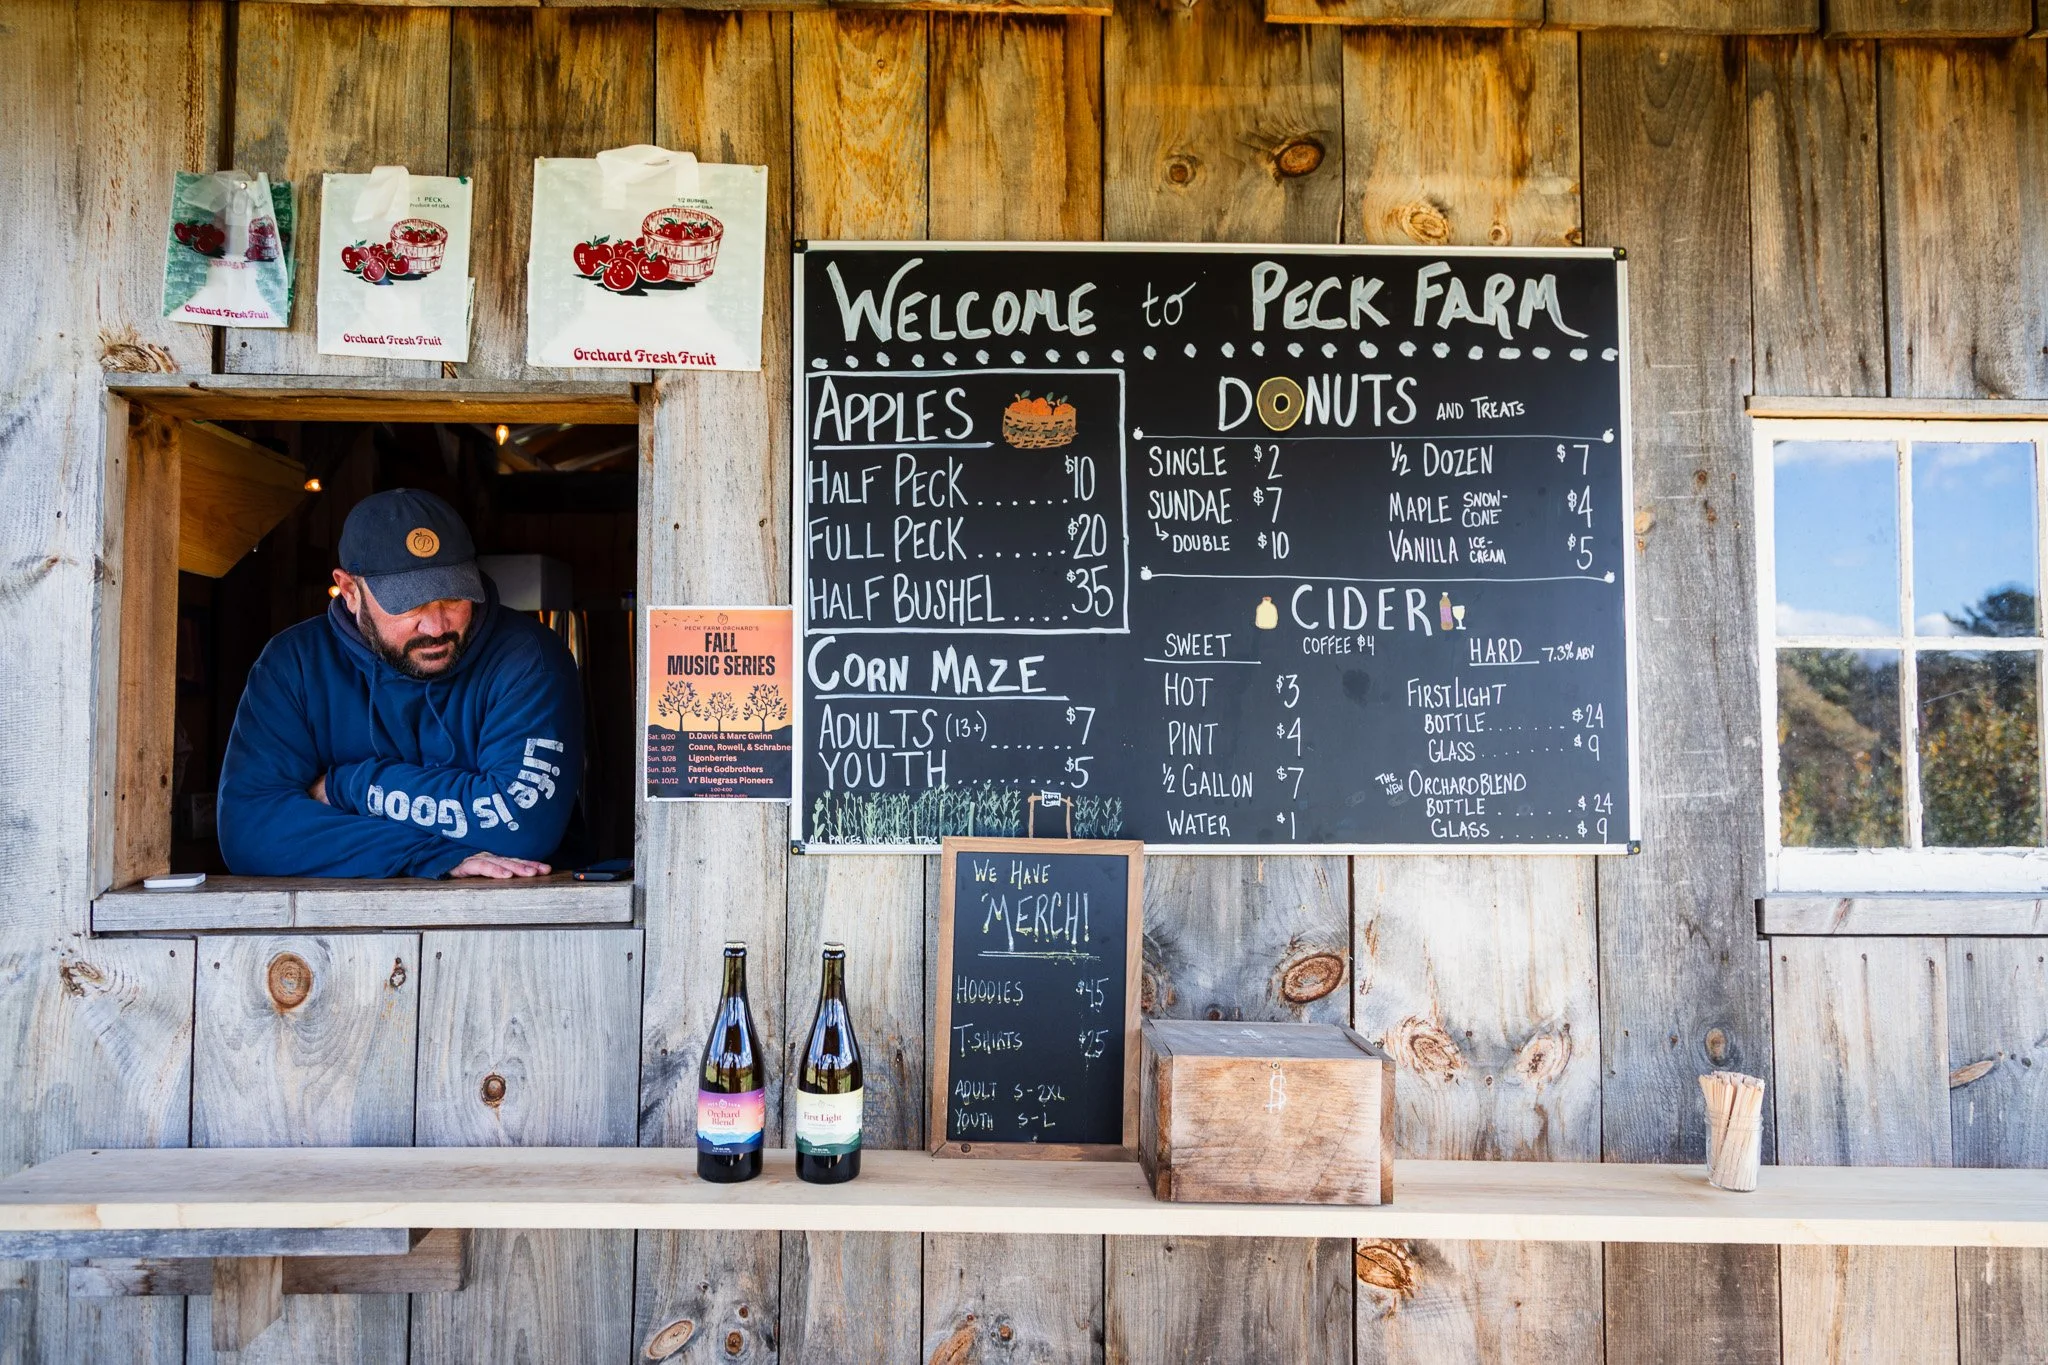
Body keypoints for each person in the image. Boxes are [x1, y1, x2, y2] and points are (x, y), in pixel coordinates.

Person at [218, 488, 583, 879]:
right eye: (409, 605)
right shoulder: (294, 663)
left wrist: (348, 785)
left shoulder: (527, 658)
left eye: (454, 598)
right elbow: (250, 832)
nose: (437, 627)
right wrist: (432, 855)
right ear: (350, 591)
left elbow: (521, 828)